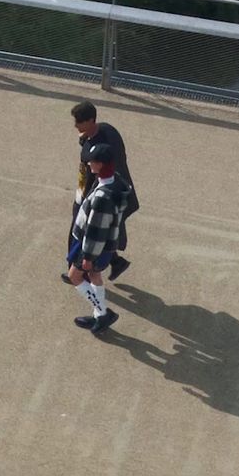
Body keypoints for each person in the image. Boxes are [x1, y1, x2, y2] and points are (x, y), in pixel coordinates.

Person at [69, 100, 139, 281]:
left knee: (82, 229)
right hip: (110, 194)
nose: (76, 125)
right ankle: (115, 262)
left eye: (79, 122)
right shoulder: (108, 130)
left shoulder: (98, 149)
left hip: (101, 195)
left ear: (91, 120)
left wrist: (85, 143)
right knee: (102, 232)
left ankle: (76, 270)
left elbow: (89, 158)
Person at [63, 142, 128, 335]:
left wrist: (88, 257)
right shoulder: (115, 181)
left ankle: (103, 312)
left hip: (91, 247)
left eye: (93, 161)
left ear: (101, 164)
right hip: (105, 245)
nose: (89, 164)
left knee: (75, 276)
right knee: (94, 276)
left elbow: (95, 230)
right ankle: (100, 314)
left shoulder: (102, 197)